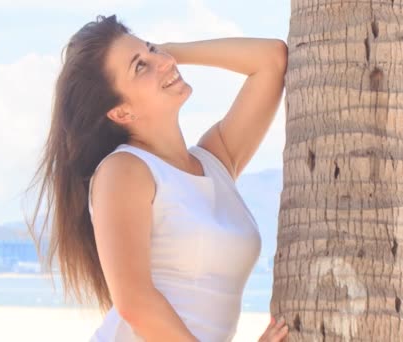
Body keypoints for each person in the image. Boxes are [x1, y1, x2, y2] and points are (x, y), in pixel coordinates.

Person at [27, 14, 288, 341]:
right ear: (122, 113)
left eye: (152, 50)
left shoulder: (215, 160)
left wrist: (169, 53)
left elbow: (272, 60)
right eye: (140, 67)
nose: (161, 62)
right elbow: (135, 303)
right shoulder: (124, 171)